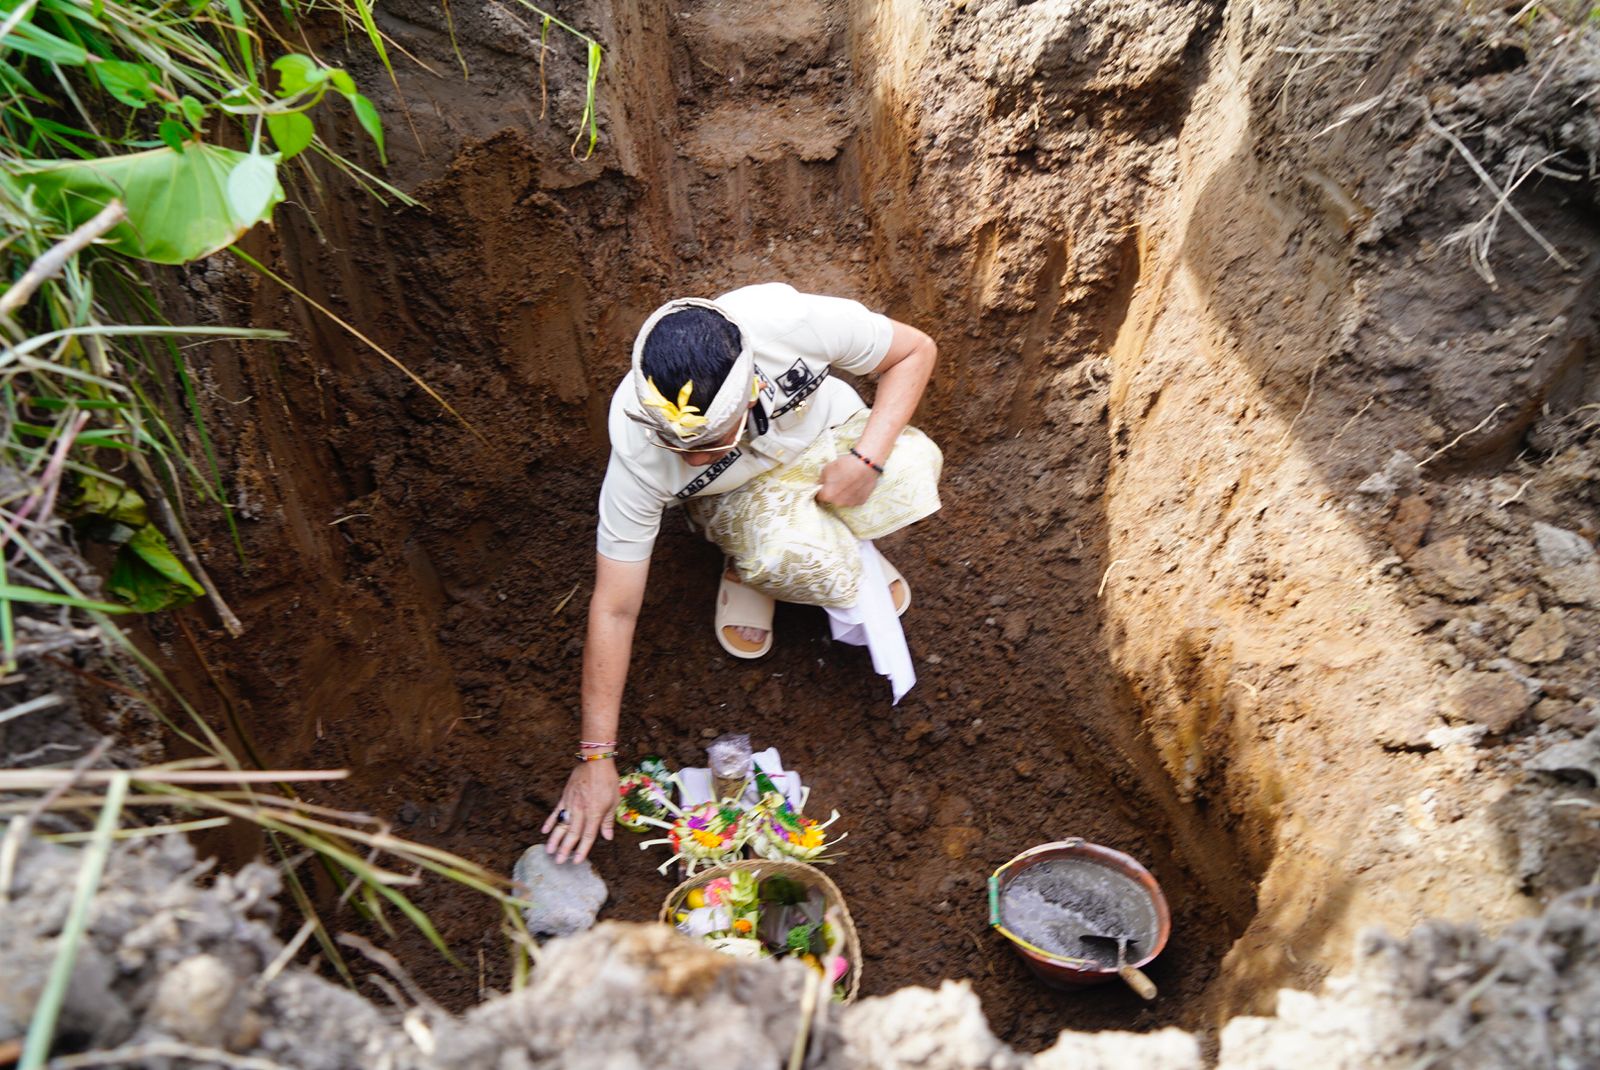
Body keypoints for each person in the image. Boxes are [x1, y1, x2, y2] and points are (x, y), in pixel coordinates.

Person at [543, 283, 941, 863]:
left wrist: (866, 459)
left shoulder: (788, 323)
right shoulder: (636, 449)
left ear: (752, 387)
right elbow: (615, 606)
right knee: (790, 555)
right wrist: (596, 756)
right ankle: (751, 561)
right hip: (736, 501)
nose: (690, 460)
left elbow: (915, 350)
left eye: (708, 443)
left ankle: (831, 532)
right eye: (677, 445)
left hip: (828, 443)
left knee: (911, 467)